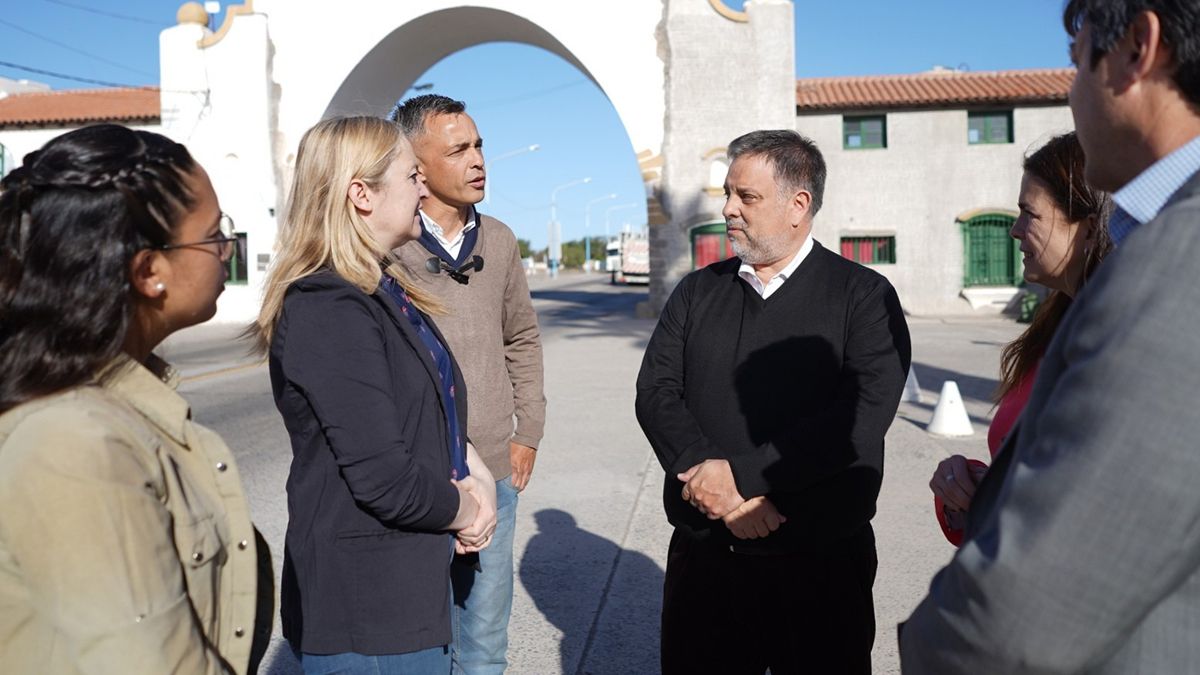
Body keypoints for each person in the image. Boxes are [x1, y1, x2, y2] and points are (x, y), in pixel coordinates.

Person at [900, 1, 1200, 671]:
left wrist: (926, 648)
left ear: (1137, 49)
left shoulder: (1177, 255)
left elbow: (1016, 620)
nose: (1070, 96)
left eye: (1074, 65)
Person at [635, 129, 911, 674]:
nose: (728, 209)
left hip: (820, 566)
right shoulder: (697, 291)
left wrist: (744, 480)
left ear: (798, 205)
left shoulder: (863, 295)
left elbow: (860, 417)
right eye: (729, 194)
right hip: (706, 558)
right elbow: (656, 393)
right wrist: (719, 491)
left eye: (746, 197)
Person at [0, 124, 270, 673]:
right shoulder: (74, 445)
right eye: (215, 234)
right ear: (150, 271)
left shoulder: (115, 408)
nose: (226, 251)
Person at [250, 116, 497, 673]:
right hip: (369, 606)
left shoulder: (384, 288)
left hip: (408, 585)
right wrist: (466, 510)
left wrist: (475, 471)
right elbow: (384, 477)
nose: (425, 189)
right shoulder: (328, 306)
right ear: (361, 194)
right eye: (413, 176)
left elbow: (431, 406)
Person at [387, 94, 546, 674]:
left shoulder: (499, 240)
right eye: (459, 149)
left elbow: (521, 338)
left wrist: (527, 429)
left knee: (484, 640)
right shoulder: (388, 245)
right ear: (416, 166)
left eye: (478, 145)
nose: (479, 159)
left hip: (496, 471)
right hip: (417, 474)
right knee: (421, 635)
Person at [929, 131, 1112, 545]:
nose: (1015, 230)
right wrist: (965, 484)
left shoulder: (1121, 344)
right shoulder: (1056, 327)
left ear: (1088, 228)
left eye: (1029, 213)